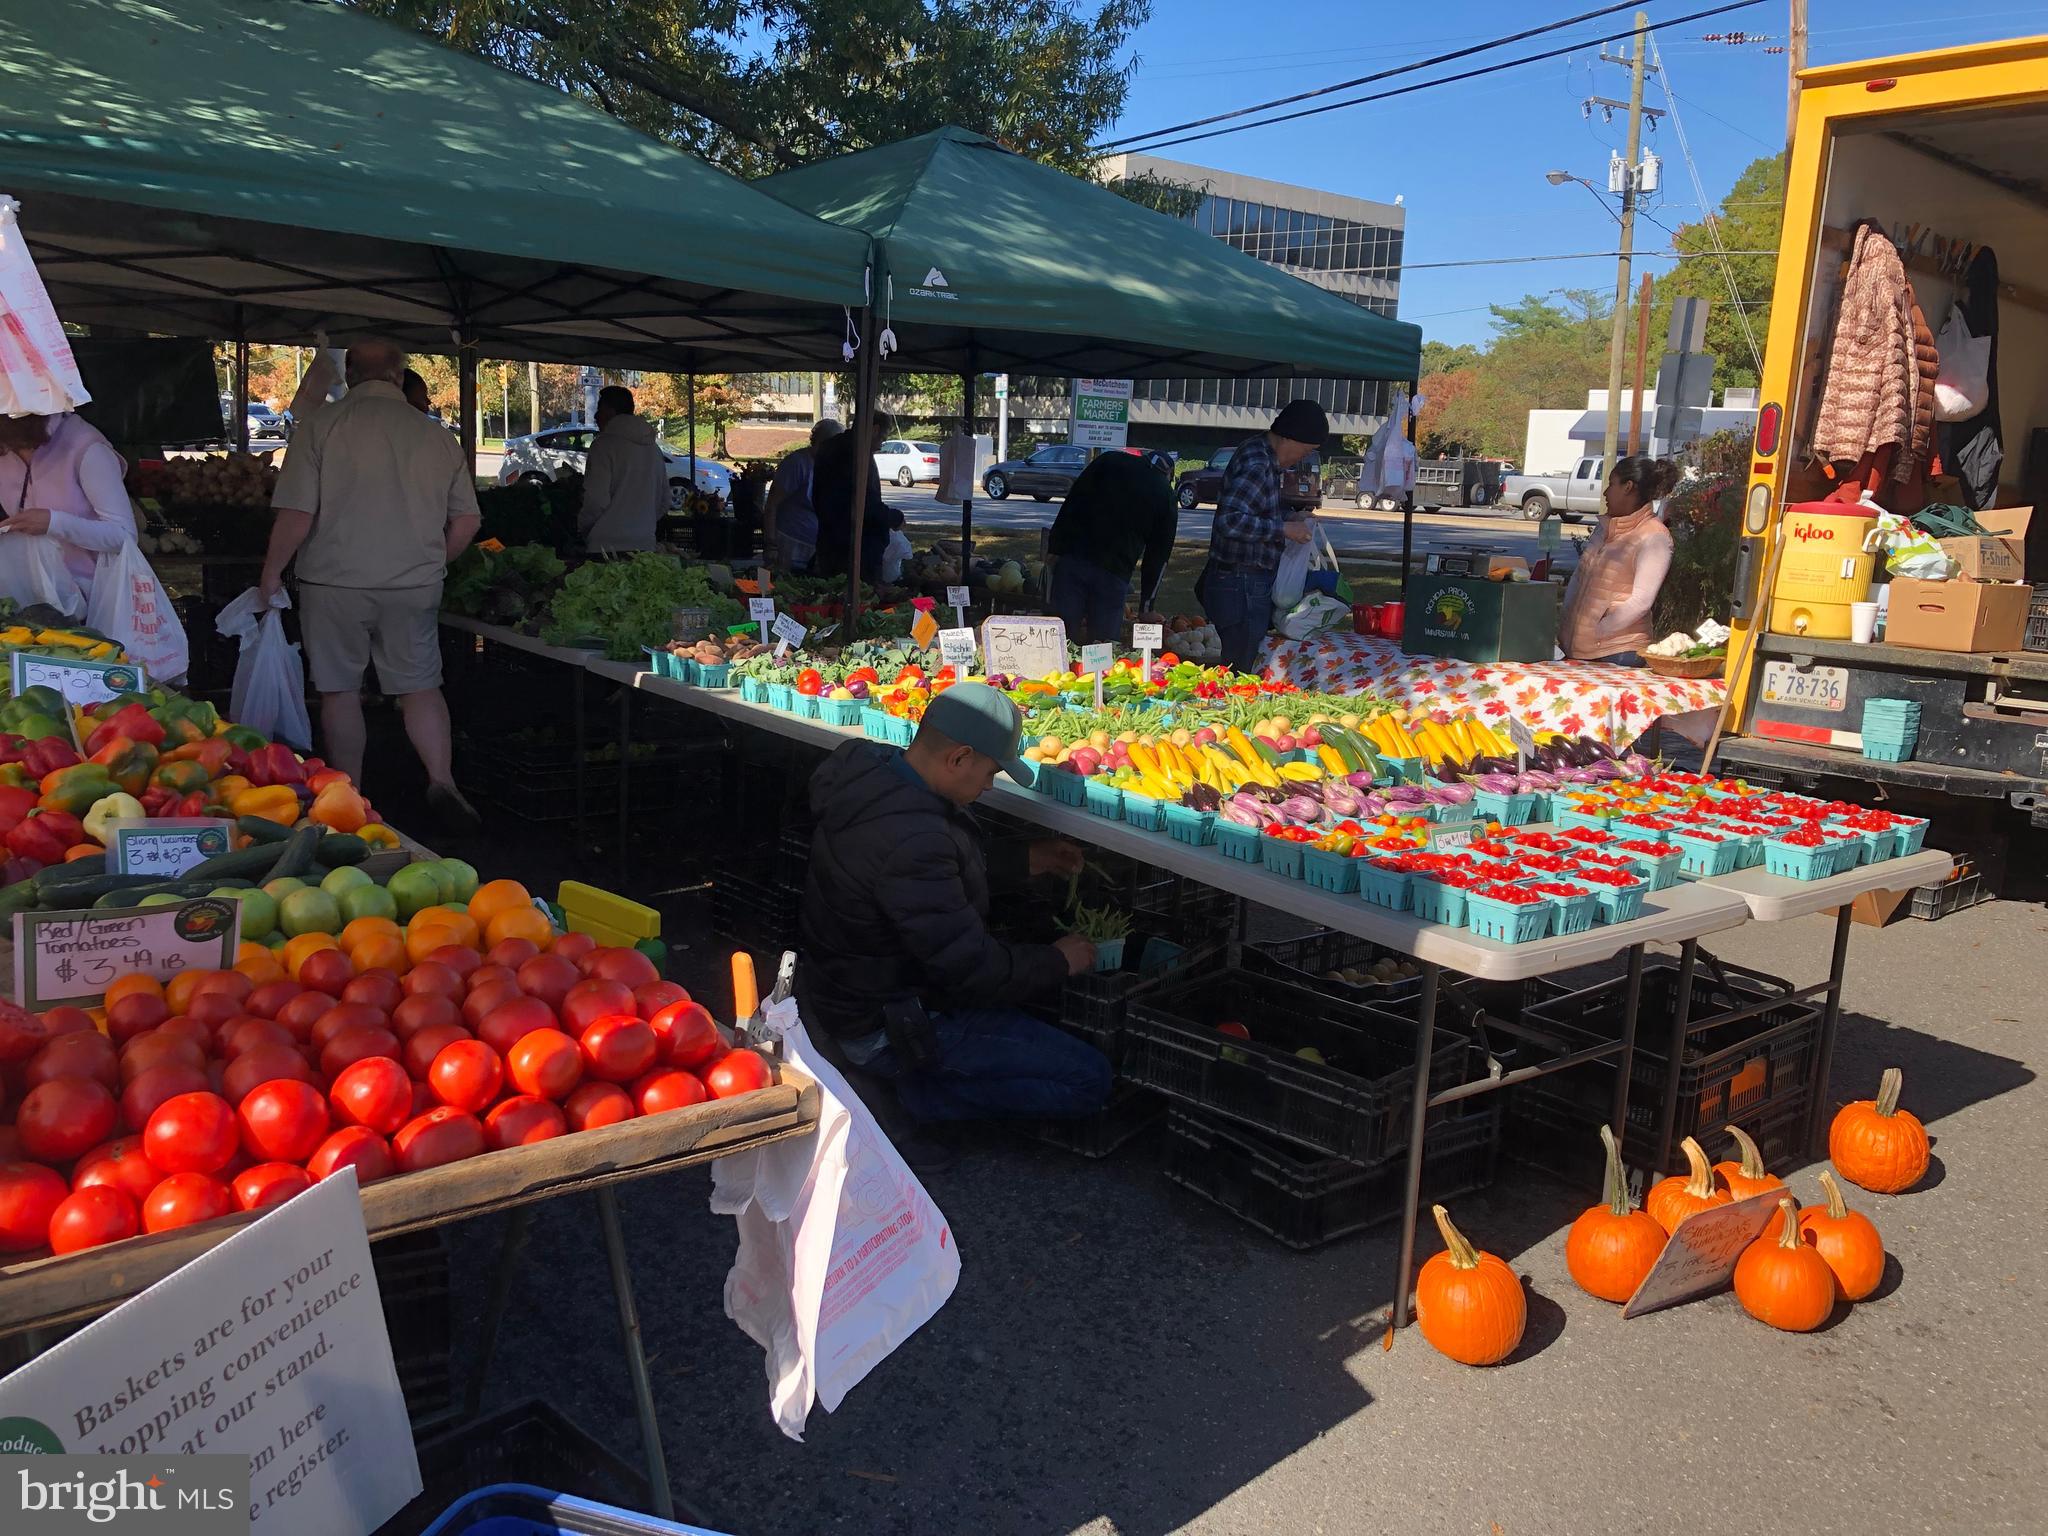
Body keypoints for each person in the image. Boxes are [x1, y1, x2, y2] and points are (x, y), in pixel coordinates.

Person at [797, 682, 1112, 1138]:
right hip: (886, 1026)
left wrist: (1031, 859)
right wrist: (1059, 960)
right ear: (959, 757)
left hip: (846, 995)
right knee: (1089, 1079)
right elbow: (971, 968)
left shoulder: (876, 775)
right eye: (989, 773)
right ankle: (910, 1099)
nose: (988, 786)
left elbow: (930, 876)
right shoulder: (915, 841)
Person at [261, 340, 483, 830]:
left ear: (352, 376)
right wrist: (431, 563)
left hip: (334, 581)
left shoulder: (321, 426)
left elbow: (297, 513)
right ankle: (442, 780)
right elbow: (466, 522)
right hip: (414, 585)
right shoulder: (437, 437)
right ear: (400, 378)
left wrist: (271, 572)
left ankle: (351, 796)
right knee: (422, 685)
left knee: (340, 691)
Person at [1195, 399, 1324, 673]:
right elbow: (1230, 521)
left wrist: (1291, 516)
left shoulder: (1263, 457)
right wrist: (1283, 529)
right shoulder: (1257, 462)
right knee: (1240, 665)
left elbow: (1256, 508)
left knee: (1242, 659)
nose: (1302, 459)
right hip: (1239, 582)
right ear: (1290, 437)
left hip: (1241, 581)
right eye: (1305, 451)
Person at [0, 411, 137, 609]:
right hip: (29, 599)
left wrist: (53, 523)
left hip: (96, 603)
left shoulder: (87, 448)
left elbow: (125, 536)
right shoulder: (5, 448)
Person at [1558, 454, 1679, 665]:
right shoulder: (1604, 527)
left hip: (1620, 653)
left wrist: (1597, 630)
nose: (1605, 492)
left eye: (1611, 484)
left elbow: (1641, 601)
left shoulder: (1655, 537)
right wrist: (1566, 621)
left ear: (1628, 487)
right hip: (1579, 648)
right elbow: (1579, 576)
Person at [1047, 448, 1178, 644]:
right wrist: (1146, 608)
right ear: (1168, 475)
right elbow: (1158, 557)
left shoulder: (1109, 460)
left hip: (1074, 560)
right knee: (1104, 646)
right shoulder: (1165, 495)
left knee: (1061, 638)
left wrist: (1055, 547)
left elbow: (1073, 501)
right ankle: (1098, 671)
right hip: (1114, 573)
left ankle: (1057, 669)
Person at [811, 413, 904, 581]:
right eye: (882, 438)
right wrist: (894, 517)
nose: (880, 445)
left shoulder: (831, 448)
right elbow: (864, 504)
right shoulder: (855, 453)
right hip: (857, 548)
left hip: (830, 541)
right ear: (874, 430)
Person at [577, 385, 667, 554]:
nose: (595, 415)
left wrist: (585, 528)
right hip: (645, 545)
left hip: (605, 547)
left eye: (599, 408)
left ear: (610, 411)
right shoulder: (654, 449)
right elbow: (663, 501)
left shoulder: (603, 446)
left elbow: (596, 500)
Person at [762, 417, 840, 571]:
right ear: (822, 442)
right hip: (790, 544)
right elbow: (771, 505)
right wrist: (771, 544)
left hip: (815, 547)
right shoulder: (797, 463)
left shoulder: (830, 466)